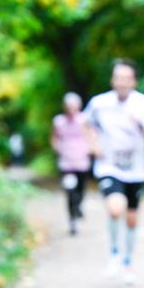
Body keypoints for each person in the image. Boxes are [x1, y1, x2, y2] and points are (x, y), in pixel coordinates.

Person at [85, 59, 144, 285]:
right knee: (115, 208)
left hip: (136, 171)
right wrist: (93, 144)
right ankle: (114, 253)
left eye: (126, 78)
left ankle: (128, 261)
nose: (122, 82)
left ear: (134, 81)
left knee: (131, 218)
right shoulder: (99, 103)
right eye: (118, 77)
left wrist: (139, 124)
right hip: (109, 167)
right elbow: (85, 123)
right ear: (112, 80)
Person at [51, 92, 95, 236]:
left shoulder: (84, 120)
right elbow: (54, 138)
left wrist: (91, 149)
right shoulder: (59, 121)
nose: (71, 109)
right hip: (66, 163)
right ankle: (72, 220)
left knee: (81, 190)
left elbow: (91, 136)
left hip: (82, 161)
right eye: (68, 106)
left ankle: (78, 207)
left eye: (73, 106)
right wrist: (58, 149)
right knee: (70, 191)